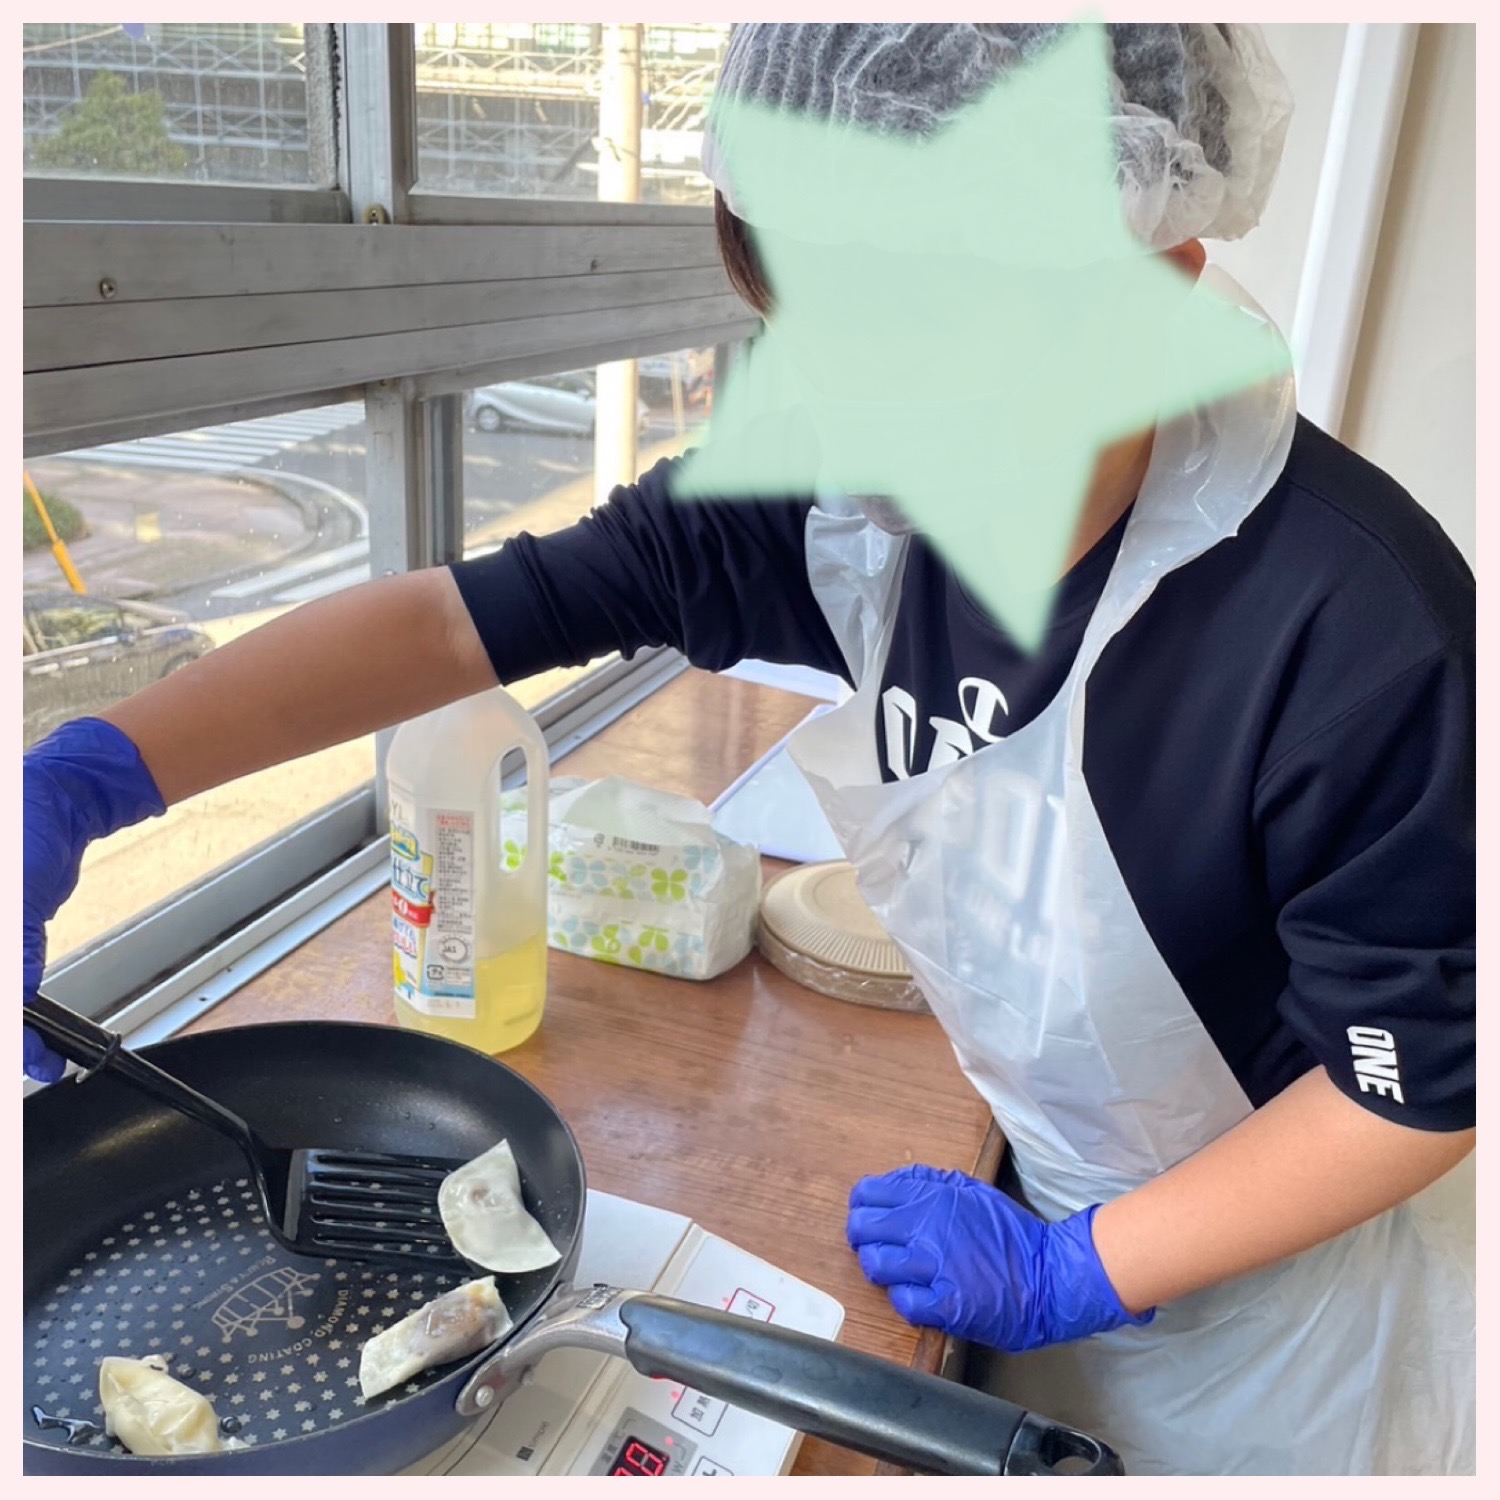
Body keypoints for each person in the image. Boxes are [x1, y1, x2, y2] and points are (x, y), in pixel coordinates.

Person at [24, 23, 1473, 1476]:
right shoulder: (852, 484)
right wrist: (91, 777)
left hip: (1278, 1320)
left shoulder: (1354, 624)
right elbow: (457, 622)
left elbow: (1408, 1088)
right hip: (1032, 1200)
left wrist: (1082, 1266)